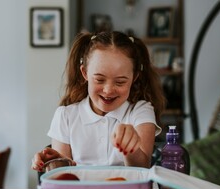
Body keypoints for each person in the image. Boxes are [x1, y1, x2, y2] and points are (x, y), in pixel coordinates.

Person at [31, 31, 165, 171]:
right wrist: (54, 163)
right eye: (99, 80)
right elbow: (63, 177)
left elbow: (142, 168)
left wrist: (130, 149)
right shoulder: (65, 116)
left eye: (120, 82)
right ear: (85, 73)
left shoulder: (141, 111)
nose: (108, 90)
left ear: (134, 77)